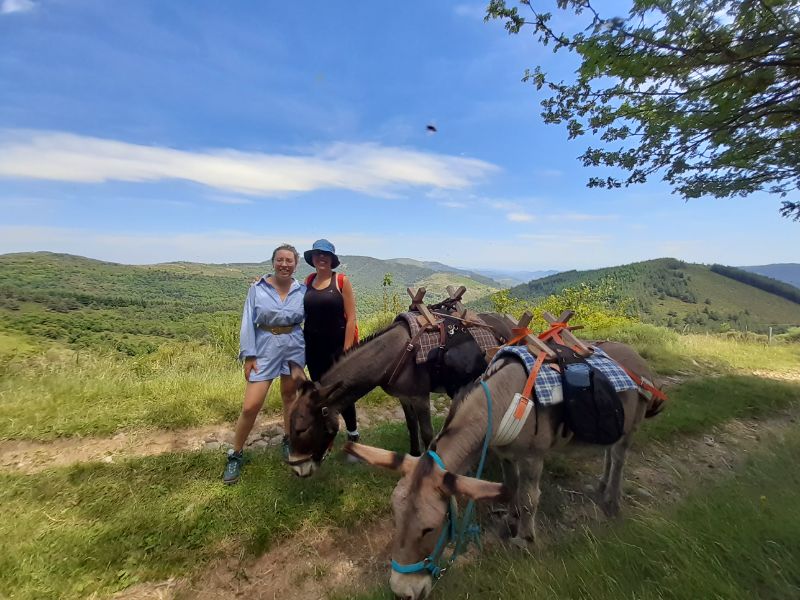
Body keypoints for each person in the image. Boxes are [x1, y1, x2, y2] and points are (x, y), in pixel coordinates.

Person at [223, 244, 305, 485]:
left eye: (289, 261)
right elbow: (248, 321)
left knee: (290, 396)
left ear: (295, 264)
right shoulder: (257, 289)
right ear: (273, 262)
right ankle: (235, 454)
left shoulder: (302, 290)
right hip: (264, 347)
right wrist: (249, 355)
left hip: (294, 346)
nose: (284, 264)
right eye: (280, 260)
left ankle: (289, 440)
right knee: (251, 406)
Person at [302, 239, 360, 446]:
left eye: (325, 254)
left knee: (341, 392)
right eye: (318, 254)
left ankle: (353, 432)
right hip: (312, 347)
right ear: (313, 259)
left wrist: (346, 350)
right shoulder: (309, 280)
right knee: (320, 390)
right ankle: (325, 428)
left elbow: (351, 317)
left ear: (332, 259)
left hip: (336, 348)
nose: (321, 257)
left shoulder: (341, 281)